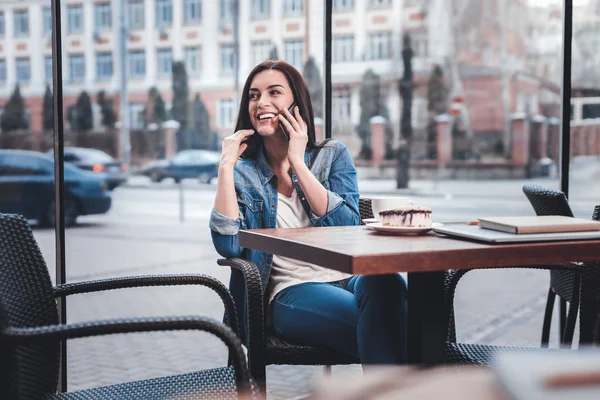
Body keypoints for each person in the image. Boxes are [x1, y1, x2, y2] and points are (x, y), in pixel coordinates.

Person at [210, 60, 408, 364]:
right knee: (400, 327)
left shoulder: (332, 155)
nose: (261, 102)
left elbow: (349, 228)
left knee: (389, 282)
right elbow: (229, 245)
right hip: (290, 290)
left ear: (296, 104)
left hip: (348, 278)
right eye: (253, 95)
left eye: (274, 92)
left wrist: (299, 164)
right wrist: (225, 167)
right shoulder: (242, 172)